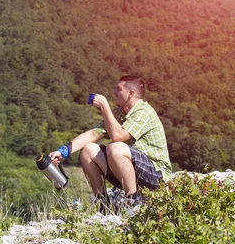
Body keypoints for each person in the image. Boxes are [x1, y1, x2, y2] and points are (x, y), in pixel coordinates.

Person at [49, 76, 171, 211]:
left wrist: (104, 106)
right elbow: (92, 134)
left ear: (131, 94)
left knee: (115, 147)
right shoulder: (119, 113)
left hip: (156, 175)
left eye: (119, 89)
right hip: (131, 171)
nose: (114, 92)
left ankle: (132, 203)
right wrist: (63, 151)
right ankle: (103, 205)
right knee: (88, 150)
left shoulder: (143, 112)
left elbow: (118, 136)